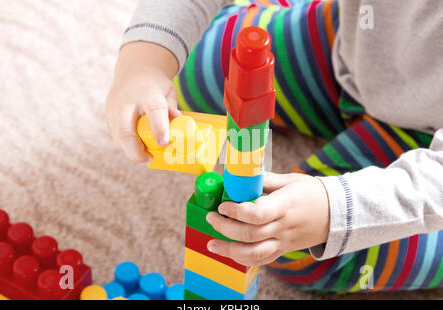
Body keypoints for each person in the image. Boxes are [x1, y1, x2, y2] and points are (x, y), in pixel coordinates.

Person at [105, 0, 443, 292]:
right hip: (355, 49)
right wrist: (142, 65)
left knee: (276, 244)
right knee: (193, 68)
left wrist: (331, 210)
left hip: (429, 154)